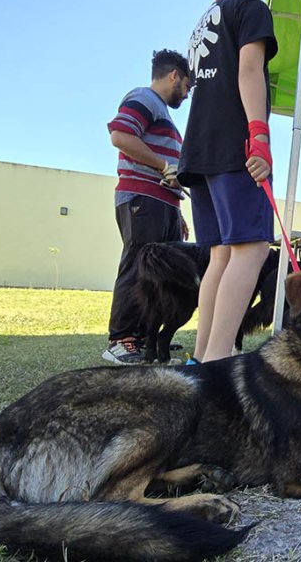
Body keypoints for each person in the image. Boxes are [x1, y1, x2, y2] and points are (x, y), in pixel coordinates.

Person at [177, 0, 278, 363]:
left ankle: (200, 360)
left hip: (198, 149)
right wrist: (260, 135)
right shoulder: (250, 8)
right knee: (251, 249)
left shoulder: (204, 21)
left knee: (221, 254)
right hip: (233, 143)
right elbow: (249, 69)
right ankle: (216, 366)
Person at [103, 49, 192, 365]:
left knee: (160, 276)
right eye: (187, 85)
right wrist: (161, 166)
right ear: (174, 76)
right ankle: (122, 339)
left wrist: (177, 211)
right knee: (139, 267)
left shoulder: (163, 114)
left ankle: (147, 339)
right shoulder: (144, 98)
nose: (187, 92)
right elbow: (120, 135)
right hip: (142, 198)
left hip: (163, 202)